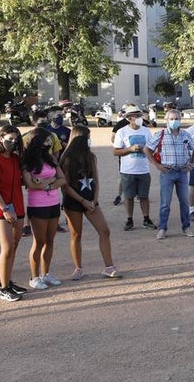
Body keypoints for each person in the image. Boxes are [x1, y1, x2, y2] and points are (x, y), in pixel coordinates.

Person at [60, 125, 121, 279]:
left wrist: (94, 199)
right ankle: (78, 268)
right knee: (76, 234)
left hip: (90, 201)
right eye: (87, 137)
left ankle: (109, 266)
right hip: (74, 201)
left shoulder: (90, 156)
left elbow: (96, 180)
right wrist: (82, 201)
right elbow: (65, 186)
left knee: (104, 231)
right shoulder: (66, 158)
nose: (89, 140)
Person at [0, 125, 28, 303]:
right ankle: (3, 287)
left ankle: (7, 281)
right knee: (7, 247)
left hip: (17, 204)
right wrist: (4, 208)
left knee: (14, 246)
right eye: (9, 139)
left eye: (15, 140)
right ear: (1, 137)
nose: (12, 143)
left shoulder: (16, 159)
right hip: (0, 208)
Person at [21, 129, 66, 290]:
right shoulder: (28, 161)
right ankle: (34, 277)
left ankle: (46, 274)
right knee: (39, 242)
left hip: (53, 203)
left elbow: (62, 179)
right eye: (46, 141)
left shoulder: (51, 158)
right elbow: (31, 184)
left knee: (50, 240)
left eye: (50, 141)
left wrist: (46, 184)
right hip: (37, 205)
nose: (49, 144)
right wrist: (50, 182)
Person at [147, 107, 194, 239]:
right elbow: (147, 149)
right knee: (165, 203)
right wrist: (157, 165)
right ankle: (162, 228)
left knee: (184, 202)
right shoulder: (160, 134)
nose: (174, 121)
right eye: (172, 119)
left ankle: (186, 226)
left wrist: (192, 163)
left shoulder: (185, 134)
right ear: (167, 120)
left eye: (177, 119)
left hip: (182, 172)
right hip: (167, 172)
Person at [112, 106, 155, 231]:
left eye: (140, 115)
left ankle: (146, 219)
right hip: (128, 171)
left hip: (143, 170)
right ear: (130, 118)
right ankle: (129, 219)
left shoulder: (146, 131)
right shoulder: (122, 132)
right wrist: (129, 149)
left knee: (144, 196)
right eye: (137, 116)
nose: (139, 118)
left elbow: (152, 147)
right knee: (128, 197)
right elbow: (115, 151)